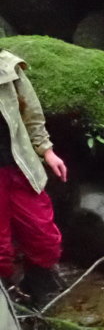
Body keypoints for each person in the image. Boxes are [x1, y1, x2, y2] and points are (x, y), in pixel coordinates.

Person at [0, 49, 67, 306]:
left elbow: (32, 115)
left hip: (19, 167)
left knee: (45, 238)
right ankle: (8, 302)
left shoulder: (9, 67)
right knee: (1, 250)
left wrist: (47, 151)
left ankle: (39, 286)